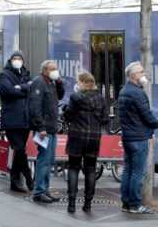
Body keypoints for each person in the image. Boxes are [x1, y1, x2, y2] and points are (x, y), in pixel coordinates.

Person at [63, 71, 108, 213]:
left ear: (82, 82)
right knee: (90, 170)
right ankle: (87, 204)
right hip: (94, 138)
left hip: (77, 137)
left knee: (73, 167)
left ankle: (71, 204)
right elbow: (105, 120)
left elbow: (68, 117)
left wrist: (66, 111)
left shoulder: (76, 97)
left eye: (78, 82)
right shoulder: (100, 99)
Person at [118, 61, 158, 214]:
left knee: (128, 170)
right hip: (138, 138)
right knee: (137, 172)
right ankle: (135, 204)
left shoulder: (123, 91)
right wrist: (156, 124)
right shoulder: (137, 93)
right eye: (141, 72)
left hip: (128, 137)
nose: (144, 74)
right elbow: (146, 115)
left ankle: (126, 202)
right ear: (134, 75)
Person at [29, 60, 65, 203]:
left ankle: (45, 189)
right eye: (52, 69)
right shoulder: (39, 83)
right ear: (44, 70)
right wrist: (40, 127)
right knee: (44, 160)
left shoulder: (51, 83)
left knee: (49, 161)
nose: (55, 71)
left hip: (51, 128)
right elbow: (35, 107)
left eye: (56, 69)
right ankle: (39, 191)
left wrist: (60, 83)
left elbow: (60, 96)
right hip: (44, 129)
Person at [0, 51, 33, 193]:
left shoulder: (26, 73)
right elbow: (8, 91)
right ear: (10, 60)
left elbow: (32, 88)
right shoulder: (4, 74)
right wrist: (24, 90)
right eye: (15, 58)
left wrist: (21, 88)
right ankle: (28, 178)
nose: (18, 60)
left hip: (25, 118)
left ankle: (15, 181)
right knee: (19, 149)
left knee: (20, 151)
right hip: (12, 119)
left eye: (20, 58)